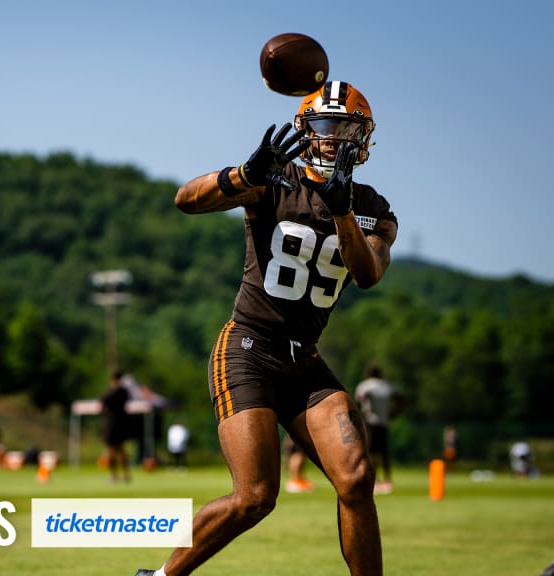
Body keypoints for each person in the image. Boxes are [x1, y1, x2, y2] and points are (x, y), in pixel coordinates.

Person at [135, 81, 397, 576]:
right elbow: (185, 199)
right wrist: (240, 174)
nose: (336, 139)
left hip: (306, 361)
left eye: (347, 128)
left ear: (363, 139)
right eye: (326, 126)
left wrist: (340, 209)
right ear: (306, 131)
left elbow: (367, 274)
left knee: (357, 478)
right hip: (249, 349)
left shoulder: (373, 208)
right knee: (254, 497)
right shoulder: (274, 179)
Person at [354, 363, 404, 494]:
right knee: (384, 453)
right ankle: (388, 480)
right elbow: (400, 399)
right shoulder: (387, 385)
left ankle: (374, 480)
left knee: (370, 452)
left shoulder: (365, 385)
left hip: (370, 422)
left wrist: (361, 414)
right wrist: (394, 414)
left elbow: (360, 400)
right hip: (384, 422)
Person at [101, 371, 132, 483]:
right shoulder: (124, 392)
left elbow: (102, 402)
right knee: (121, 451)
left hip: (111, 425)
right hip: (122, 424)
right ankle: (125, 475)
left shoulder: (112, 392)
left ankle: (115, 475)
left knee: (112, 451)